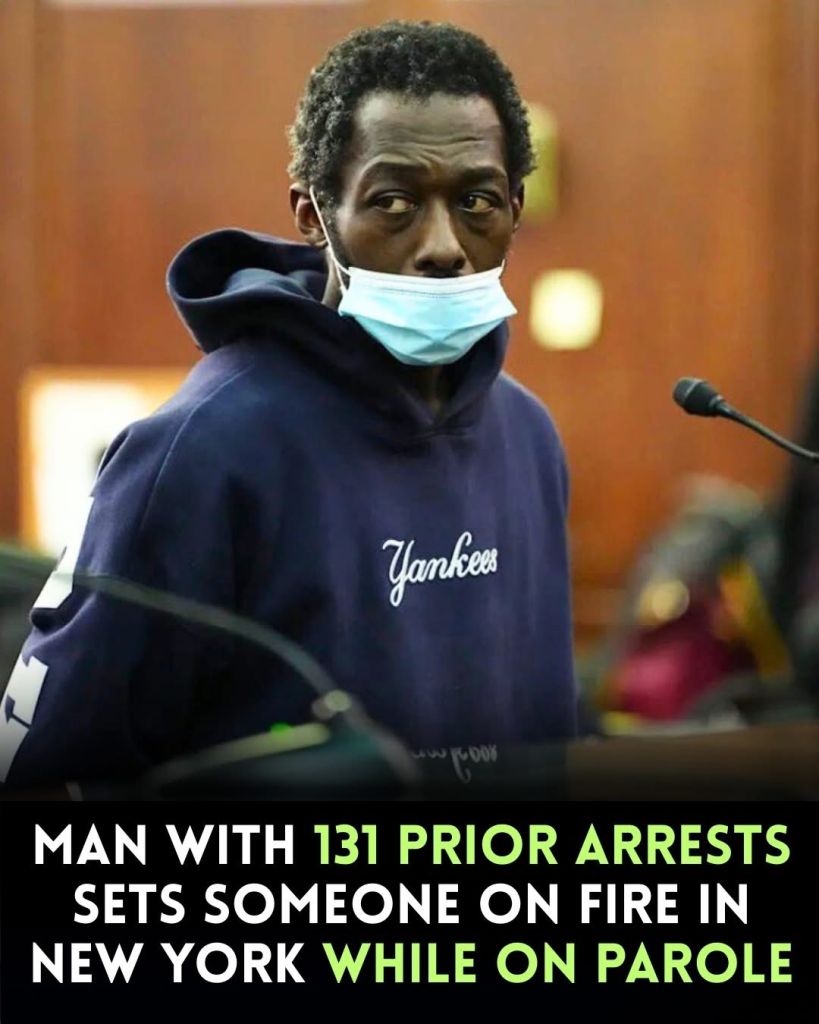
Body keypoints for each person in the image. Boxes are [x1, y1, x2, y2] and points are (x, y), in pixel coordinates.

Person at [0, 21, 576, 788]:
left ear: (514, 207)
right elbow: (48, 771)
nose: (443, 245)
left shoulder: (527, 433)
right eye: (394, 202)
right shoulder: (201, 449)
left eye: (475, 201)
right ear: (313, 215)